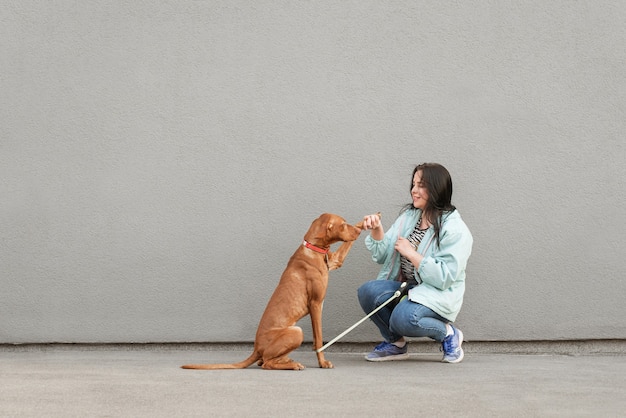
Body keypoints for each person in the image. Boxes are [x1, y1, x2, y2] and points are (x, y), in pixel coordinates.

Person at [358, 163, 473, 363]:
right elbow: (383, 256)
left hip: (437, 293)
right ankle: (396, 344)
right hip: (409, 288)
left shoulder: (455, 229)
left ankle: (448, 334)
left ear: (436, 189)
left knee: (403, 318)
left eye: (421, 185)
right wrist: (377, 229)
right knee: (367, 291)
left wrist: (412, 254)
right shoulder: (410, 217)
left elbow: (444, 277)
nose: (413, 190)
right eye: (413, 184)